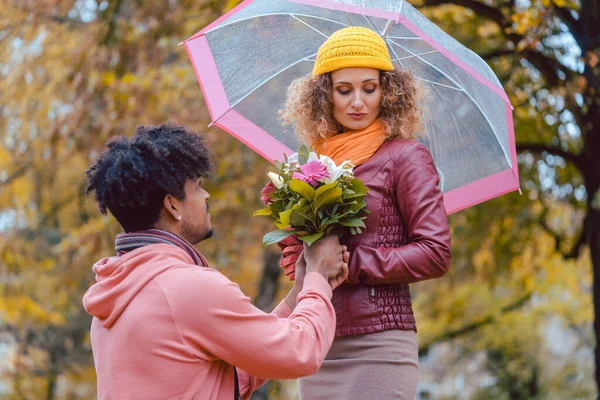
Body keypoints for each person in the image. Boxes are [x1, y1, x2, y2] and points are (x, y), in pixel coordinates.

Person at [82, 124, 350, 400]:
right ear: (173, 205)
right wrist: (318, 278)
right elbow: (299, 353)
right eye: (197, 187)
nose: (206, 195)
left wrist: (299, 294)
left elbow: (221, 382)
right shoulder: (187, 288)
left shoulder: (116, 292)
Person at [279, 27, 452, 399]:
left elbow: (436, 253)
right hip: (318, 337)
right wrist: (300, 252)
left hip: (380, 342)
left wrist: (350, 266)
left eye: (369, 88)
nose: (358, 101)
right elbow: (304, 256)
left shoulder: (406, 157)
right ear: (325, 97)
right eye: (345, 90)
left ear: (387, 92)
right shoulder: (312, 166)